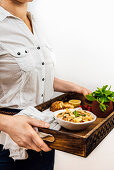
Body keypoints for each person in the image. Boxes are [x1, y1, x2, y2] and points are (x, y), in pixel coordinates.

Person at [0, 0, 92, 170]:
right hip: (6, 145)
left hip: (46, 133)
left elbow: (36, 75)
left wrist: (75, 88)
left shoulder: (35, 23)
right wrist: (6, 123)